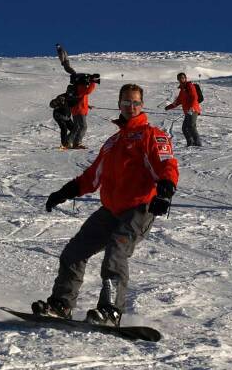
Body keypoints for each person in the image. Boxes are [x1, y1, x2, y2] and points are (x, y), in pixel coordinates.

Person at [34, 84, 179, 326]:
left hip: (139, 208)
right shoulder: (113, 142)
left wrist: (165, 189)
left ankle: (110, 310)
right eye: (125, 103)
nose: (130, 107)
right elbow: (93, 176)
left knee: (115, 253)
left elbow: (167, 164)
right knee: (74, 251)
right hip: (111, 210)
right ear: (119, 105)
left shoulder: (152, 134)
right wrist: (64, 192)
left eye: (135, 103)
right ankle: (61, 304)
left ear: (142, 105)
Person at [165, 72, 202, 147]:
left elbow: (194, 97)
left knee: (191, 126)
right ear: (178, 79)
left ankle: (198, 143)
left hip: (193, 110)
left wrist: (192, 107)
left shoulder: (190, 86)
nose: (181, 79)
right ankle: (190, 143)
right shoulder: (182, 90)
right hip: (187, 112)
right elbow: (178, 101)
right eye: (179, 78)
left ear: (185, 78)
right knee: (184, 128)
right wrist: (169, 107)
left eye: (182, 78)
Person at [66, 78, 96, 149]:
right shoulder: (81, 87)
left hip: (77, 110)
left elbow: (80, 98)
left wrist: (87, 105)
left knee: (77, 127)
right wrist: (93, 82)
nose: (88, 83)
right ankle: (77, 143)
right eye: (87, 81)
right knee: (83, 126)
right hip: (79, 110)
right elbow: (89, 91)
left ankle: (67, 141)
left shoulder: (78, 88)